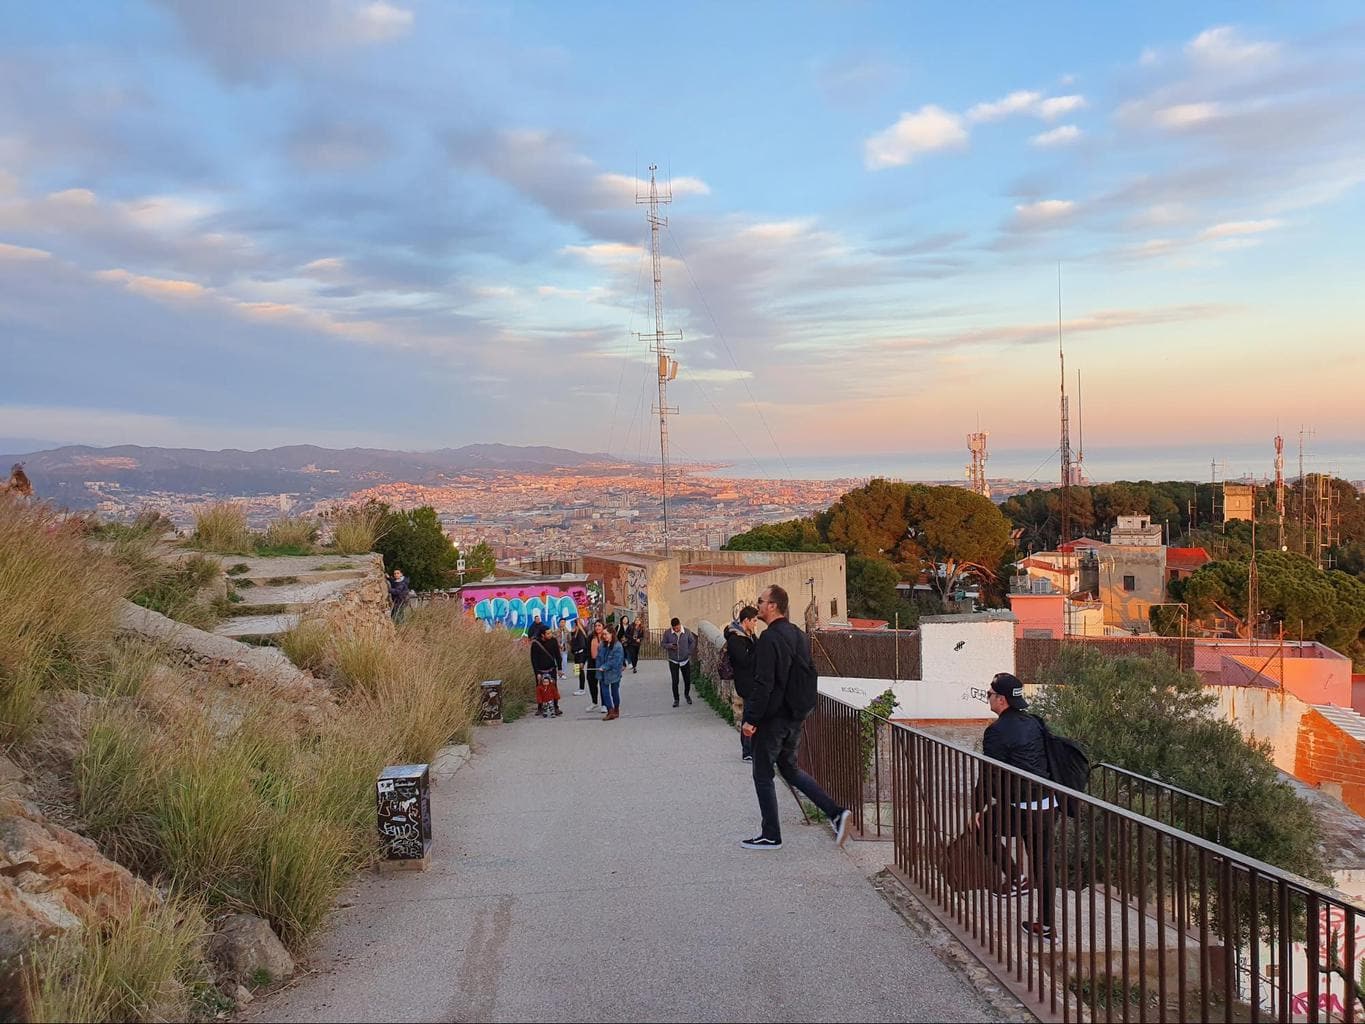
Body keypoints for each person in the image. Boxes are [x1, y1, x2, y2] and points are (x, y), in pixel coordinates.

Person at [739, 585, 851, 851]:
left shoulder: (770, 638)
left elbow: (764, 683)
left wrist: (751, 719)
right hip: (794, 716)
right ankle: (835, 812)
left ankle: (771, 835)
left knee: (763, 774)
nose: (758, 605)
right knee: (789, 769)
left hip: (773, 719)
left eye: (761, 601)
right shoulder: (798, 635)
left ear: (773, 605)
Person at [973, 671, 1057, 942]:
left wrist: (977, 806)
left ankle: (1016, 878)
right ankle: (1046, 928)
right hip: (1048, 803)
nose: (988, 697)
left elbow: (990, 773)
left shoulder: (996, 731)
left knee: (983, 826)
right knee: (1043, 863)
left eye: (990, 694)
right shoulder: (1035, 723)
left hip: (1021, 807)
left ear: (1002, 700)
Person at [724, 606, 760, 762]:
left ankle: (752, 748)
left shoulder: (748, 635)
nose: (755, 624)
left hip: (752, 680)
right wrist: (756, 651)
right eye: (754, 621)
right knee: (749, 715)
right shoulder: (735, 639)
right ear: (746, 621)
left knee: (752, 714)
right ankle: (747, 751)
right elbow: (744, 661)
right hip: (746, 682)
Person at [529, 622, 563, 718]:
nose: (550, 635)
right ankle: (540, 707)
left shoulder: (553, 641)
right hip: (540, 670)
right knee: (540, 689)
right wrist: (537, 673)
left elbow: (558, 655)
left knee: (553, 688)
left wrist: (559, 668)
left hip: (551, 669)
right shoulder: (536, 644)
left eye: (550, 633)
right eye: (548, 633)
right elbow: (534, 660)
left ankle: (556, 707)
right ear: (542, 635)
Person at [661, 617, 695, 707]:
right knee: (675, 681)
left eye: (677, 627)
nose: (676, 629)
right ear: (672, 627)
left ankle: (687, 695)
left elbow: (692, 642)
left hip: (685, 660)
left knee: (687, 680)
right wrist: (670, 646)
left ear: (680, 624)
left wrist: (689, 652)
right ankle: (676, 699)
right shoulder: (668, 633)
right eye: (674, 628)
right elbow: (663, 644)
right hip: (673, 661)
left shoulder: (687, 632)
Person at [597, 625, 626, 721]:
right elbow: (599, 658)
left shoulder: (618, 646)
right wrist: (599, 668)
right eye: (603, 634)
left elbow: (616, 661)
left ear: (612, 634)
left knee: (614, 692)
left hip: (614, 672)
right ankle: (610, 710)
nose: (604, 636)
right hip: (603, 673)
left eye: (606, 634)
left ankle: (616, 709)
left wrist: (605, 666)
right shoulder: (602, 645)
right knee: (604, 691)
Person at [569, 619, 591, 697]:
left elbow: (582, 646)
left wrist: (582, 660)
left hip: (581, 654)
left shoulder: (581, 633)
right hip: (576, 654)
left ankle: (582, 689)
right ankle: (580, 686)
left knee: (581, 671)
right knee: (577, 671)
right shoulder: (576, 633)